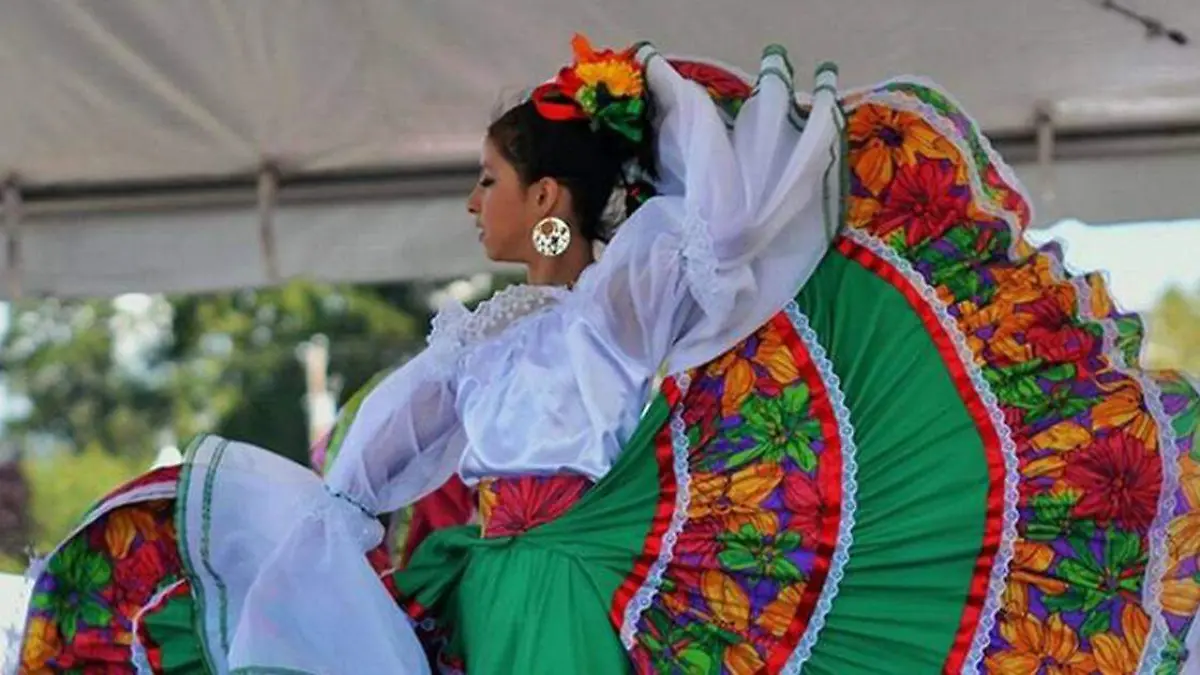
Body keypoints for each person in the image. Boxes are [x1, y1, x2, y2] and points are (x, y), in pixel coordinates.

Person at [17, 35, 1200, 674]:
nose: (469, 203)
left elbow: (721, 236)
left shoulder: (620, 311)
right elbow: (369, 475)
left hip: (589, 590)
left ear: (544, 196)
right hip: (499, 590)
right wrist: (311, 545)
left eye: (487, 181)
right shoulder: (480, 339)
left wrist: (645, 112)